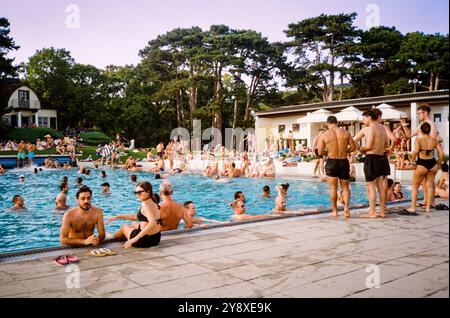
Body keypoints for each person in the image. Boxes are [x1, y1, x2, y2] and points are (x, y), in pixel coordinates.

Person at [317, 116, 356, 218]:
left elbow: (320, 152)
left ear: (327, 123)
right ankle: (346, 208)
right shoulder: (346, 133)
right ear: (337, 122)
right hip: (343, 161)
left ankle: (334, 211)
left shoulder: (324, 135)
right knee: (345, 188)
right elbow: (353, 147)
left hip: (332, 161)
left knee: (333, 188)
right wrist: (345, 151)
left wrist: (328, 152)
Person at [354, 109, 390, 218]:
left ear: (369, 117)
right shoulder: (383, 128)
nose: (363, 120)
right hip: (381, 158)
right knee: (380, 186)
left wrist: (361, 148)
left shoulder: (368, 129)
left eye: (364, 118)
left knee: (371, 186)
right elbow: (386, 145)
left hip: (372, 158)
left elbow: (367, 145)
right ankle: (382, 212)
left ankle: (372, 212)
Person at [107, 182, 162, 248]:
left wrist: (135, 239)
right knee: (133, 223)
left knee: (124, 227)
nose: (137, 195)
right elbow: (135, 217)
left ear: (148, 192)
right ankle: (123, 236)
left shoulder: (145, 204)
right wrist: (118, 216)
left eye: (140, 192)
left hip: (144, 241)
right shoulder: (153, 202)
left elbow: (152, 223)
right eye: (136, 193)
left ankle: (110, 237)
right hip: (156, 238)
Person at [404, 122, 444, 214]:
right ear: (429, 130)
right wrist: (438, 163)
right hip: (433, 163)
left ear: (421, 130)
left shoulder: (418, 140)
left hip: (422, 163)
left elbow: (415, 152)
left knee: (415, 186)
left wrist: (411, 161)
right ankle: (428, 208)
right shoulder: (434, 140)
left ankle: (413, 207)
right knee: (429, 185)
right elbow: (441, 154)